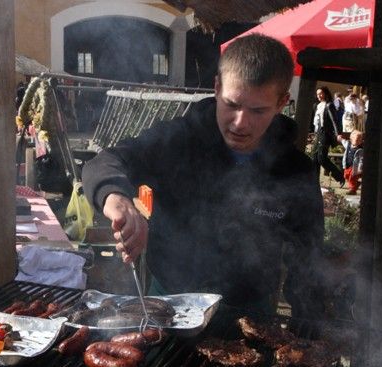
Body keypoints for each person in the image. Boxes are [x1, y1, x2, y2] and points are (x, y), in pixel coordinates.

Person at [82, 34, 325, 318]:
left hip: (250, 311)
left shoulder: (295, 169)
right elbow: (105, 162)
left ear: (282, 102)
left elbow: (308, 251)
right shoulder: (178, 140)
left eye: (258, 110)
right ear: (217, 87)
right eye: (232, 104)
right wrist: (116, 197)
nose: (240, 123)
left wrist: (307, 313)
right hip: (168, 302)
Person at [311, 86, 344, 186]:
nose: (319, 96)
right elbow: (316, 122)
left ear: (325, 93)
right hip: (318, 133)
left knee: (321, 158)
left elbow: (334, 121)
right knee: (314, 158)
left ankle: (339, 177)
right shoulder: (317, 105)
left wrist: (338, 134)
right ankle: (314, 183)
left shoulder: (329, 105)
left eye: (321, 93)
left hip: (326, 133)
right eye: (317, 94)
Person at [340, 130, 364, 195]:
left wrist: (360, 169)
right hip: (347, 165)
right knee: (346, 176)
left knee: (352, 178)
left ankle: (352, 190)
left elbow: (361, 160)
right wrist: (341, 139)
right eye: (356, 140)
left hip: (354, 167)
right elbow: (344, 142)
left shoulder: (360, 150)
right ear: (351, 139)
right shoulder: (348, 145)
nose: (358, 141)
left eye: (360, 140)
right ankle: (356, 184)